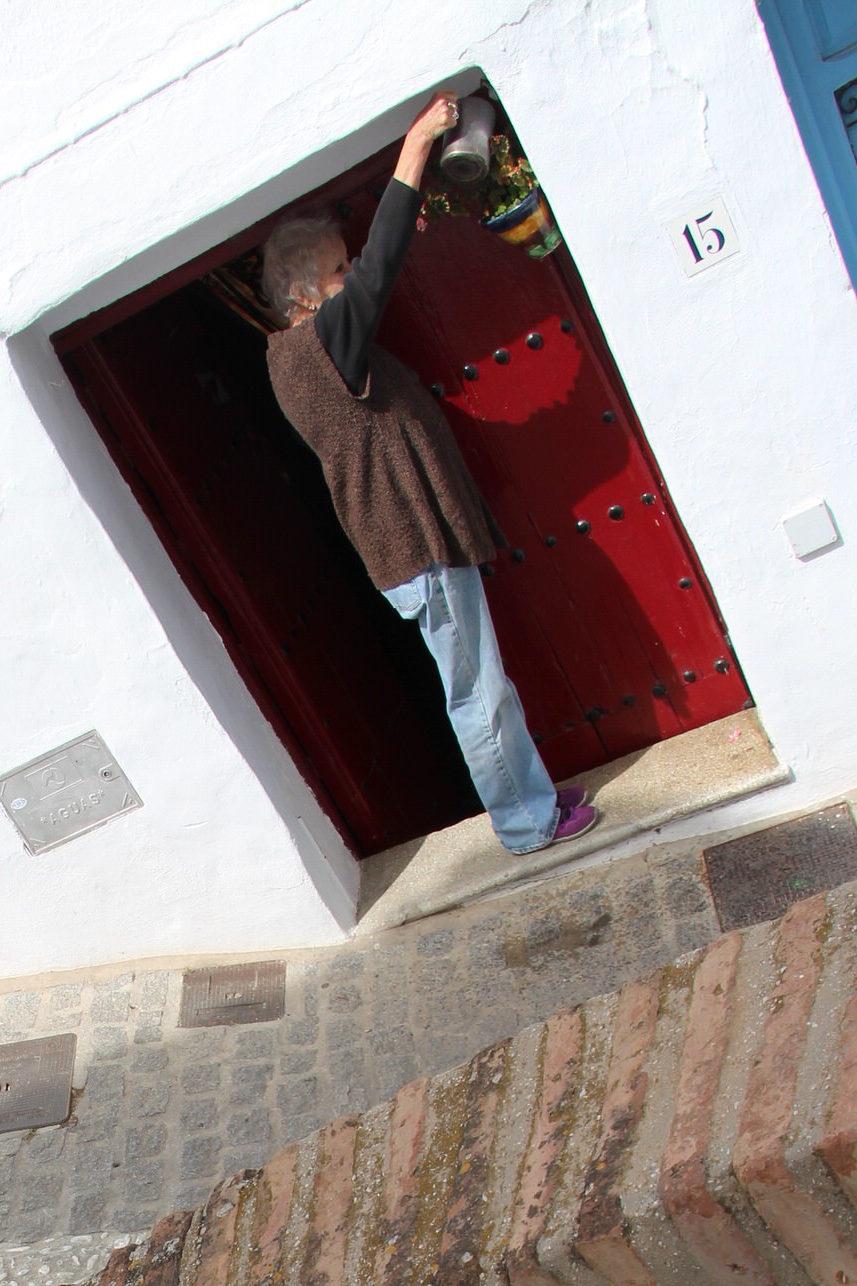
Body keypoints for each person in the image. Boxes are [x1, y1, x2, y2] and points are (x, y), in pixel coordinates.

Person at [262, 91, 599, 855]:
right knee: (479, 693)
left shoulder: (303, 357)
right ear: (308, 293)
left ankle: (532, 797)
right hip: (416, 544)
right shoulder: (321, 343)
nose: (354, 277)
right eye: (338, 270)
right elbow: (382, 264)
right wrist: (418, 146)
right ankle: (527, 823)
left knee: (484, 686)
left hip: (410, 544)